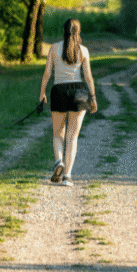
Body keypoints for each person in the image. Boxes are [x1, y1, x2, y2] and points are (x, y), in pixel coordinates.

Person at [39, 18, 98, 187]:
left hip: (58, 91)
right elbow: (88, 77)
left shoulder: (53, 48)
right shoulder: (84, 51)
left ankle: (59, 161)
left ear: (63, 30)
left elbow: (47, 74)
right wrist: (93, 98)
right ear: (78, 32)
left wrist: (42, 93)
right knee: (72, 137)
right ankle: (67, 177)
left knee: (58, 134)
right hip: (79, 92)